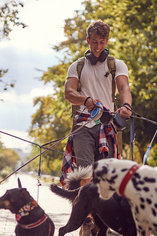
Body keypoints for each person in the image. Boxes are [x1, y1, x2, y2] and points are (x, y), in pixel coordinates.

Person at [61, 20, 132, 187]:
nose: (98, 47)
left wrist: (127, 106)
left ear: (106, 41)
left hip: (107, 125)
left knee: (106, 176)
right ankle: (84, 211)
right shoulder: (76, 66)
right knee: (86, 173)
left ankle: (101, 212)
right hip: (83, 125)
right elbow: (69, 93)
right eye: (94, 42)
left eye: (102, 42)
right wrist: (86, 100)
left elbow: (124, 88)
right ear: (88, 40)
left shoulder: (117, 65)